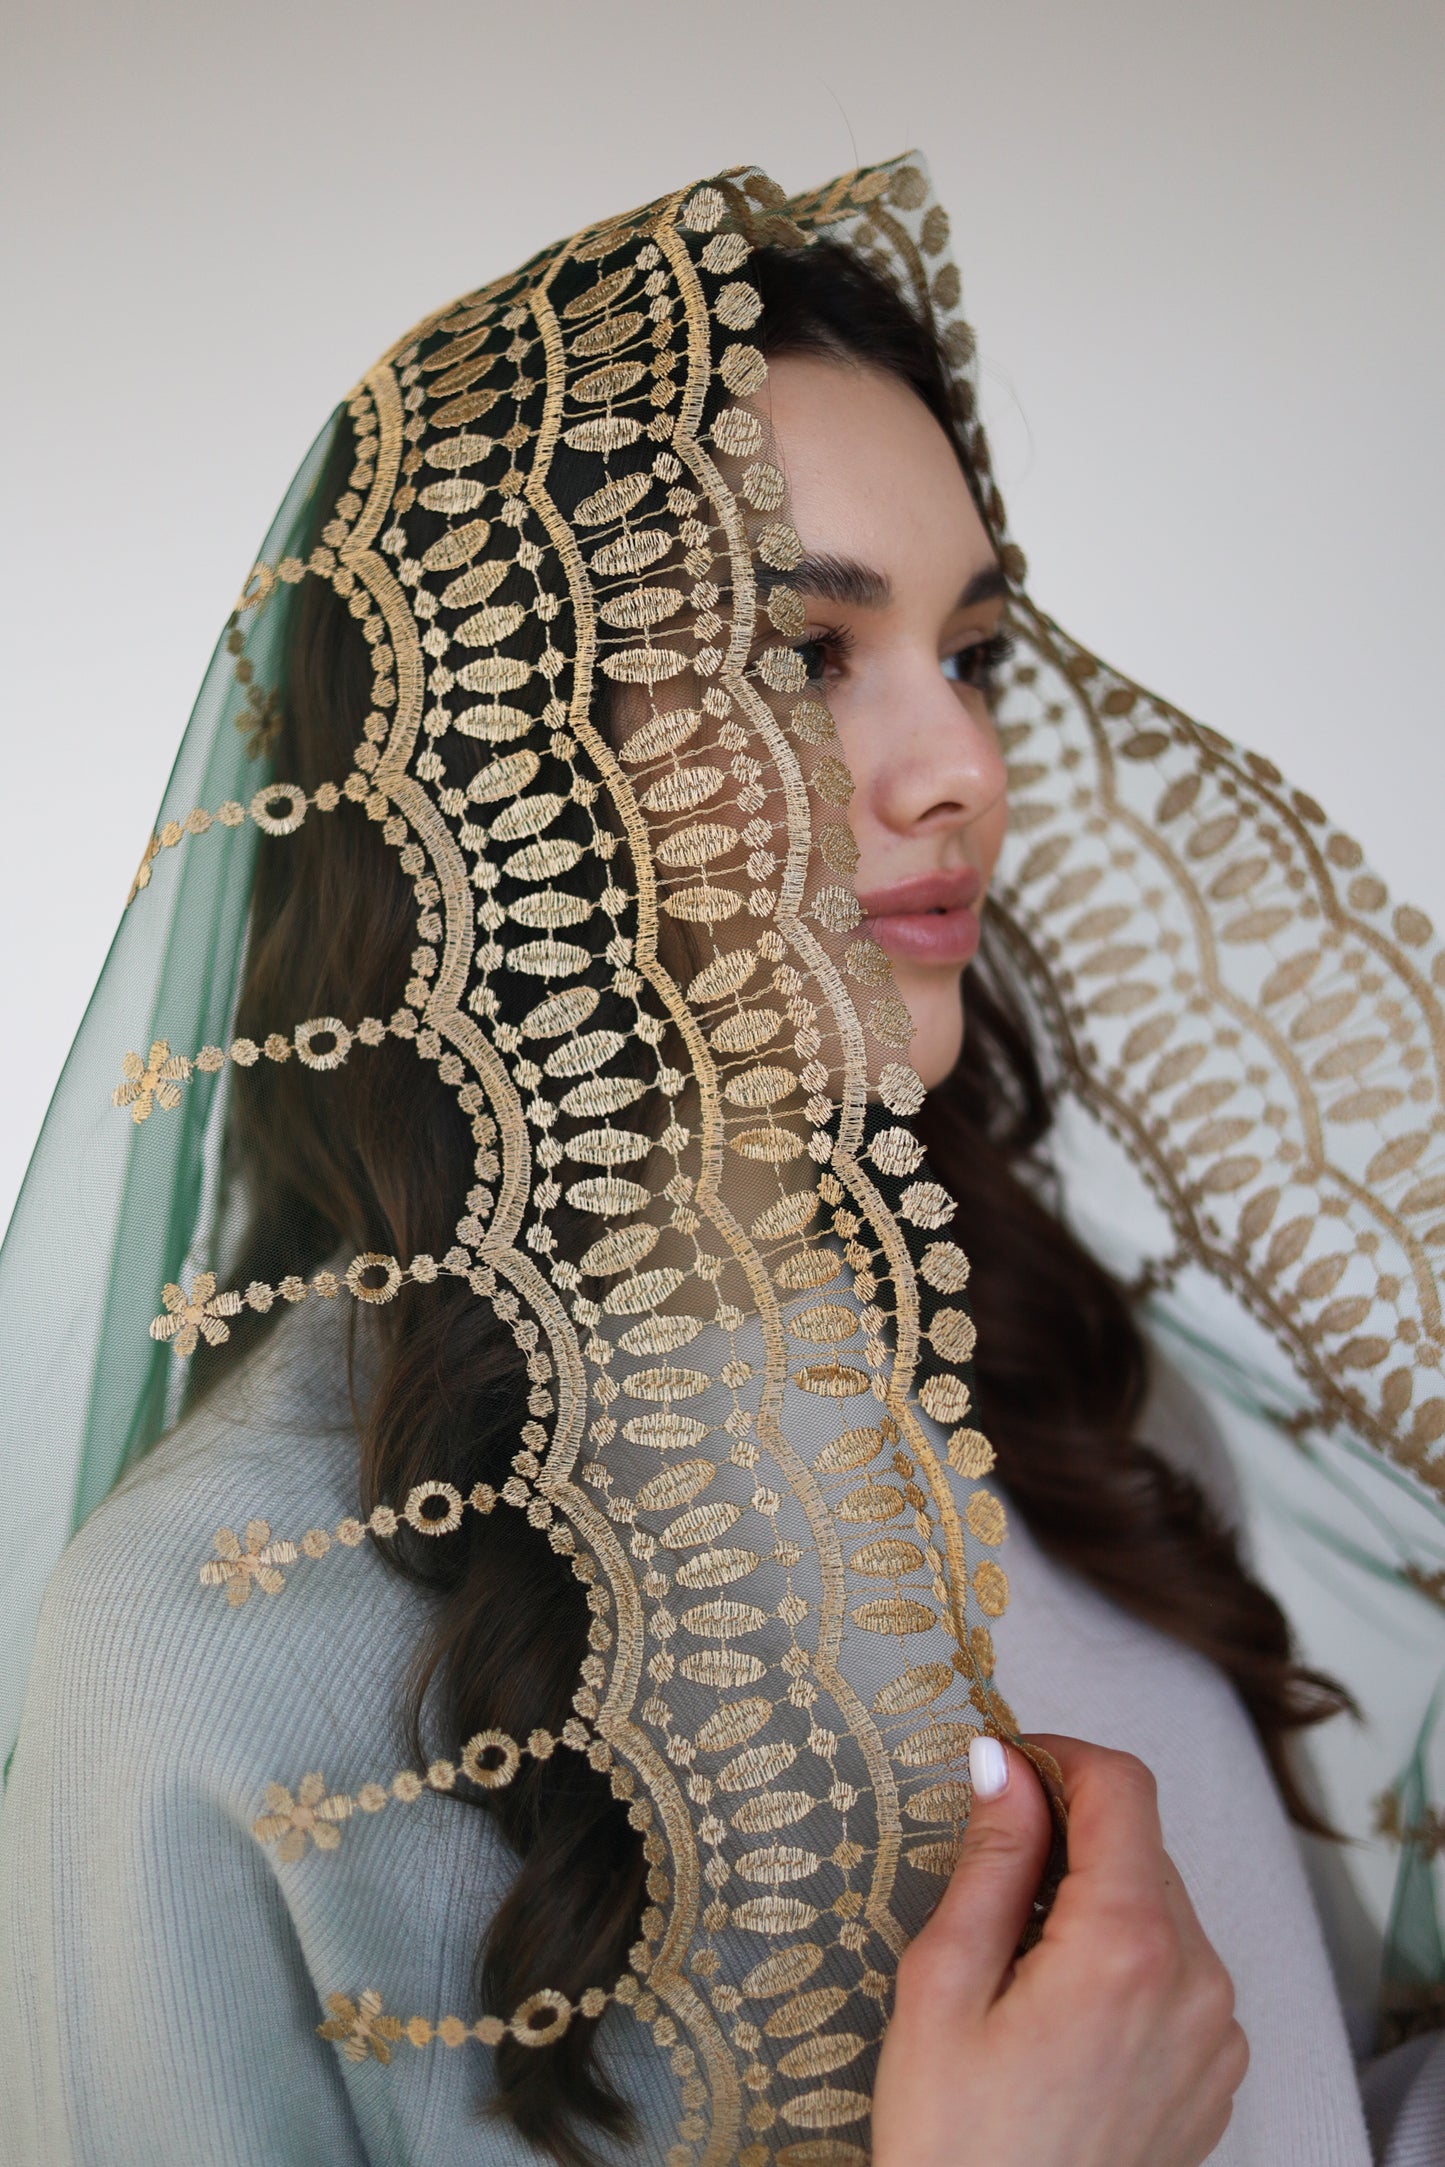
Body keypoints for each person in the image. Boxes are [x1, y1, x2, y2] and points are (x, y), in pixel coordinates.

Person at [0, 154, 1440, 2166]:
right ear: (503, 750)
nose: (960, 766)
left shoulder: (1063, 1396)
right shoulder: (211, 1654)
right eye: (806, 653)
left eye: (975, 651)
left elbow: (1311, 2101)